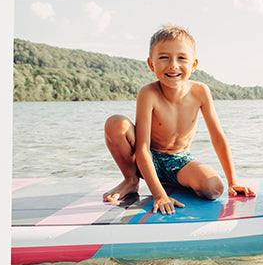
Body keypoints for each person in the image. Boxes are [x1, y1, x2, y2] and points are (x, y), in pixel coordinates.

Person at [103, 24, 254, 213]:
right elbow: (142, 148)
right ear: (151, 64)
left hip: (179, 161)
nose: (173, 65)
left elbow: (217, 137)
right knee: (116, 123)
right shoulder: (148, 93)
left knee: (214, 188)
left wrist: (233, 182)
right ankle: (131, 180)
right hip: (147, 157)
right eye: (164, 58)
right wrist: (159, 195)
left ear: (194, 64)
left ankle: (173, 181)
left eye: (181, 58)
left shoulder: (200, 91)